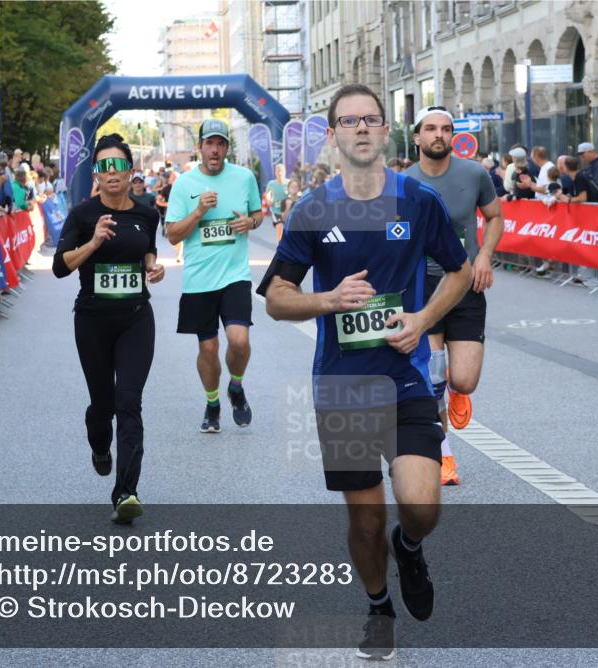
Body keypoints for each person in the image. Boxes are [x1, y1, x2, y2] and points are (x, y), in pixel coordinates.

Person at [258, 84, 474, 661]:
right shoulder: (313, 208)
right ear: (332, 136)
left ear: (385, 132)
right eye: (348, 121)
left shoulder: (417, 201)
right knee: (365, 518)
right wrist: (328, 300)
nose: (360, 129)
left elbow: (459, 271)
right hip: (342, 385)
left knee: (421, 506)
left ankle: (411, 548)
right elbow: (276, 298)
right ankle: (379, 607)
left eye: (371, 120)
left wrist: (424, 317)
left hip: (404, 374)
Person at [52, 133, 165, 523]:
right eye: (104, 166)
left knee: (128, 402)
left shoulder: (147, 213)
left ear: (131, 170)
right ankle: (100, 444)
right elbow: (59, 267)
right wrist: (94, 243)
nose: (111, 172)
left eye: (118, 165)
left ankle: (126, 493)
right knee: (103, 406)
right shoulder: (83, 215)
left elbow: (147, 250)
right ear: (96, 174)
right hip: (93, 321)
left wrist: (153, 267)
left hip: (136, 318)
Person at [404, 105, 503, 486]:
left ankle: (458, 391)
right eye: (430, 129)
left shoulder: (474, 173)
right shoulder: (404, 183)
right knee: (432, 379)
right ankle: (443, 457)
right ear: (417, 137)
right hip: (425, 289)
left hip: (465, 284)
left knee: (463, 379)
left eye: (445, 129)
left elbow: (495, 216)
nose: (439, 135)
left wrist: (485, 256)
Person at [165, 119, 263, 433]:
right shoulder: (183, 184)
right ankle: (212, 403)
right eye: (210, 143)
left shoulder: (244, 177)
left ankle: (236, 385)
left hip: (235, 275)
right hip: (199, 280)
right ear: (200, 148)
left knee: (239, 339)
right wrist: (197, 213)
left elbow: (259, 214)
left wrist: (250, 222)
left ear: (226, 148)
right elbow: (171, 235)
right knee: (207, 349)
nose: (215, 150)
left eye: (221, 144)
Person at [266, 163, 288, 240]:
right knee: (279, 226)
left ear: (285, 172)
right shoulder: (271, 184)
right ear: (275, 172)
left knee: (287, 231)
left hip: (287, 211)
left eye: (281, 171)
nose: (280, 173)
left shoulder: (288, 183)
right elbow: (268, 194)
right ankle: (280, 247)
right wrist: (269, 200)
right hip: (276, 211)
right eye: (278, 171)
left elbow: (294, 193)